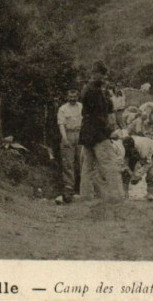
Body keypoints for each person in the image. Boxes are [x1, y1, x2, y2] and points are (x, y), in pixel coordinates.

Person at [78, 61, 124, 203]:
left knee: (87, 166)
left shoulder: (87, 90)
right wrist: (110, 131)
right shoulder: (95, 92)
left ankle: (85, 196)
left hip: (87, 133)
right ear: (95, 73)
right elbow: (99, 116)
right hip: (98, 134)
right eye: (103, 75)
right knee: (110, 164)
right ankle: (116, 197)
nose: (105, 79)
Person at [55, 89, 82, 205]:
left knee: (82, 161)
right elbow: (61, 124)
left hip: (80, 134)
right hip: (68, 134)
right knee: (68, 163)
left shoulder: (81, 106)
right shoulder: (63, 109)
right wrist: (65, 138)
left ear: (77, 96)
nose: (72, 99)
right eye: (70, 96)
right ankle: (69, 188)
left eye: (74, 96)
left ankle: (83, 187)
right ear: (67, 97)